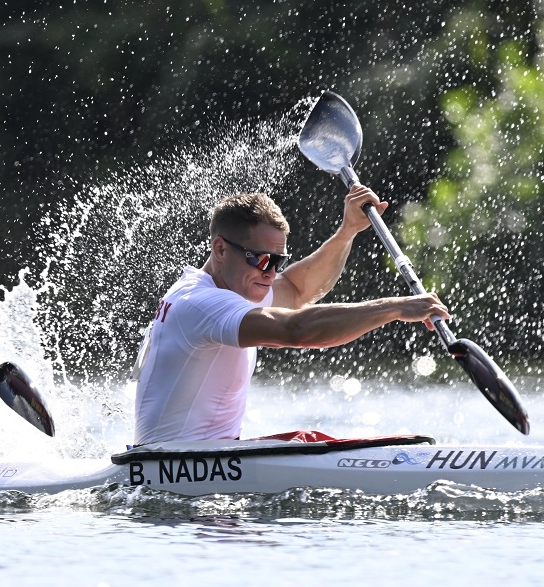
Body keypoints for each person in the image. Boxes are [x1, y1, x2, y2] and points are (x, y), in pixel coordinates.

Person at [133, 187, 450, 446]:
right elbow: (295, 330)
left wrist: (347, 231)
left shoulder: (231, 285)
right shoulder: (202, 303)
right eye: (262, 260)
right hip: (176, 467)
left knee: (308, 439)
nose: (270, 274)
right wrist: (394, 308)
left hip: (197, 458)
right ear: (220, 249)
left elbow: (297, 290)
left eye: (278, 262)